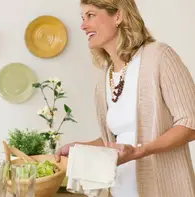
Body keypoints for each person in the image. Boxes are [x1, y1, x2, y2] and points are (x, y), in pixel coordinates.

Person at [55, 0, 195, 197]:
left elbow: (190, 125)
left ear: (118, 16)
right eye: (82, 17)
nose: (83, 25)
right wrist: (80, 148)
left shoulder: (159, 56)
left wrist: (141, 151)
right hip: (121, 191)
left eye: (91, 15)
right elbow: (116, 142)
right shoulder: (106, 76)